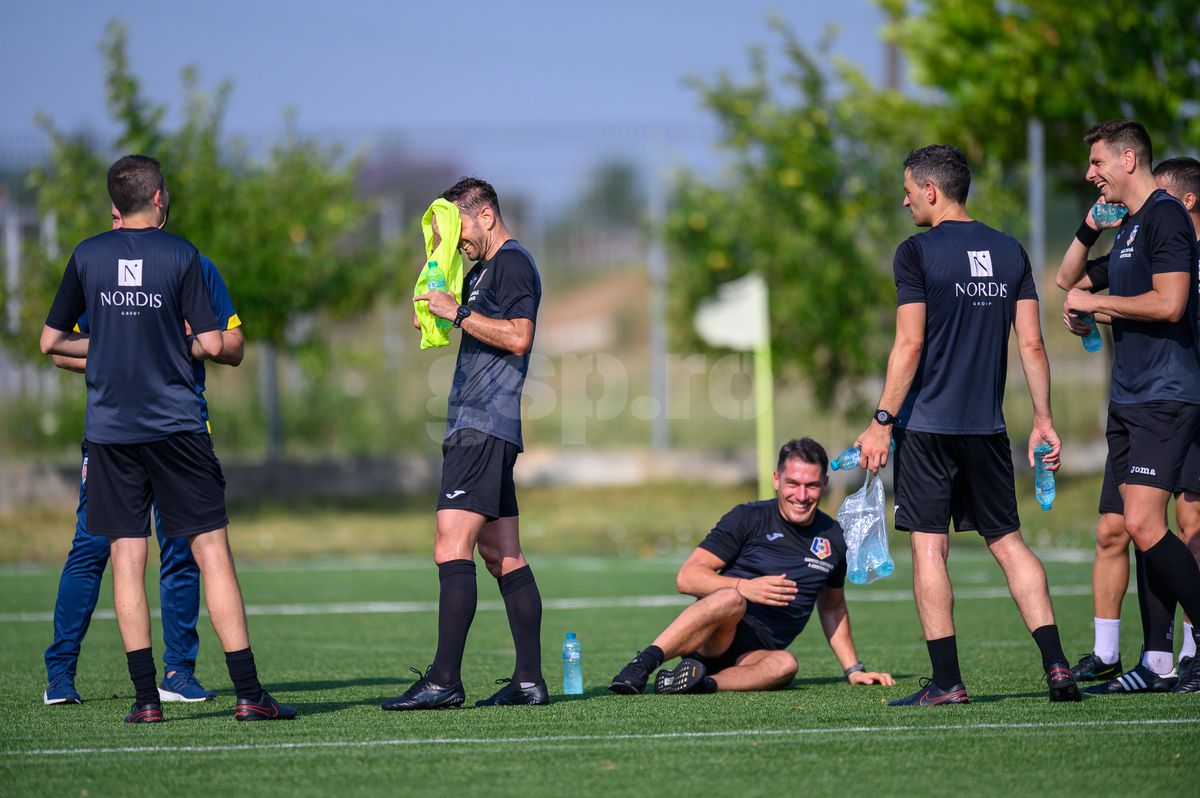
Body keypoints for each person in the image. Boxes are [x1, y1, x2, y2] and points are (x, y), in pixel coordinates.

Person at [40, 154, 293, 723]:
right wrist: (173, 344)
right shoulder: (182, 255)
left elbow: (49, 342)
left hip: (109, 433)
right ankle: (250, 695)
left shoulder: (86, 255)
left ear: (115, 205)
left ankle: (146, 700)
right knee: (212, 555)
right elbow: (215, 341)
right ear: (158, 198)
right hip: (178, 427)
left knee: (125, 560)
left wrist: (110, 346)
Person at [856, 144, 1080, 705]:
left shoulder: (916, 253)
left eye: (908, 189)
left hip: (927, 428)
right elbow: (1031, 342)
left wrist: (881, 419)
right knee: (1008, 542)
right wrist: (1044, 421)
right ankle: (1057, 667)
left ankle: (947, 682)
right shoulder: (1009, 252)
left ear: (931, 191)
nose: (904, 199)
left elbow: (909, 343)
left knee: (930, 549)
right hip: (987, 428)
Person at [382, 177, 545, 710]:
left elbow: (519, 335)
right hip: (481, 426)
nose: (460, 238)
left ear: (488, 216)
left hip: (483, 425)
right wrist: (434, 303)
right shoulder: (480, 272)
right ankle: (528, 681)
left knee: (450, 544)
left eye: (462, 226)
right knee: (503, 555)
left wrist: (455, 312)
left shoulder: (514, 262)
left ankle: (444, 679)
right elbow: (460, 314)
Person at [1057, 123, 1200, 694]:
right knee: (1134, 529)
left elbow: (1169, 304)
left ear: (1127, 157)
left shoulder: (1165, 215)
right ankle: (1157, 661)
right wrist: (1089, 233)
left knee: (1146, 523)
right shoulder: (1133, 226)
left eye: (1097, 162)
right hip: (1130, 396)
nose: (1091, 174)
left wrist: (1098, 302)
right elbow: (1067, 279)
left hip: (1166, 395)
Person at [608, 439, 895, 695]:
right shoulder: (748, 517)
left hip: (757, 654)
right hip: (715, 636)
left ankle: (699, 683)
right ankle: (642, 665)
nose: (802, 495)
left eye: (811, 485)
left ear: (825, 484)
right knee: (731, 598)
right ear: (776, 480)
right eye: (792, 483)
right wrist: (747, 588)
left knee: (786, 664)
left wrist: (853, 669)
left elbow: (833, 608)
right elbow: (687, 578)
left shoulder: (835, 537)